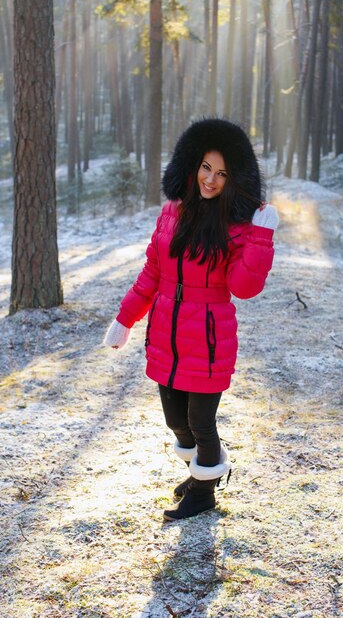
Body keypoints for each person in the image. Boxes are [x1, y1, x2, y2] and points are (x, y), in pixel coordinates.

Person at [103, 118, 278, 521]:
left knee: (201, 420)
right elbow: (152, 274)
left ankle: (203, 493)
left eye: (221, 173)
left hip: (209, 336)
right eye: (205, 168)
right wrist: (125, 319)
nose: (211, 180)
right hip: (166, 331)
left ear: (234, 179)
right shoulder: (171, 213)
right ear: (191, 164)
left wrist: (261, 237)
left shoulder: (238, 227)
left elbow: (244, 287)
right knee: (174, 420)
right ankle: (204, 471)